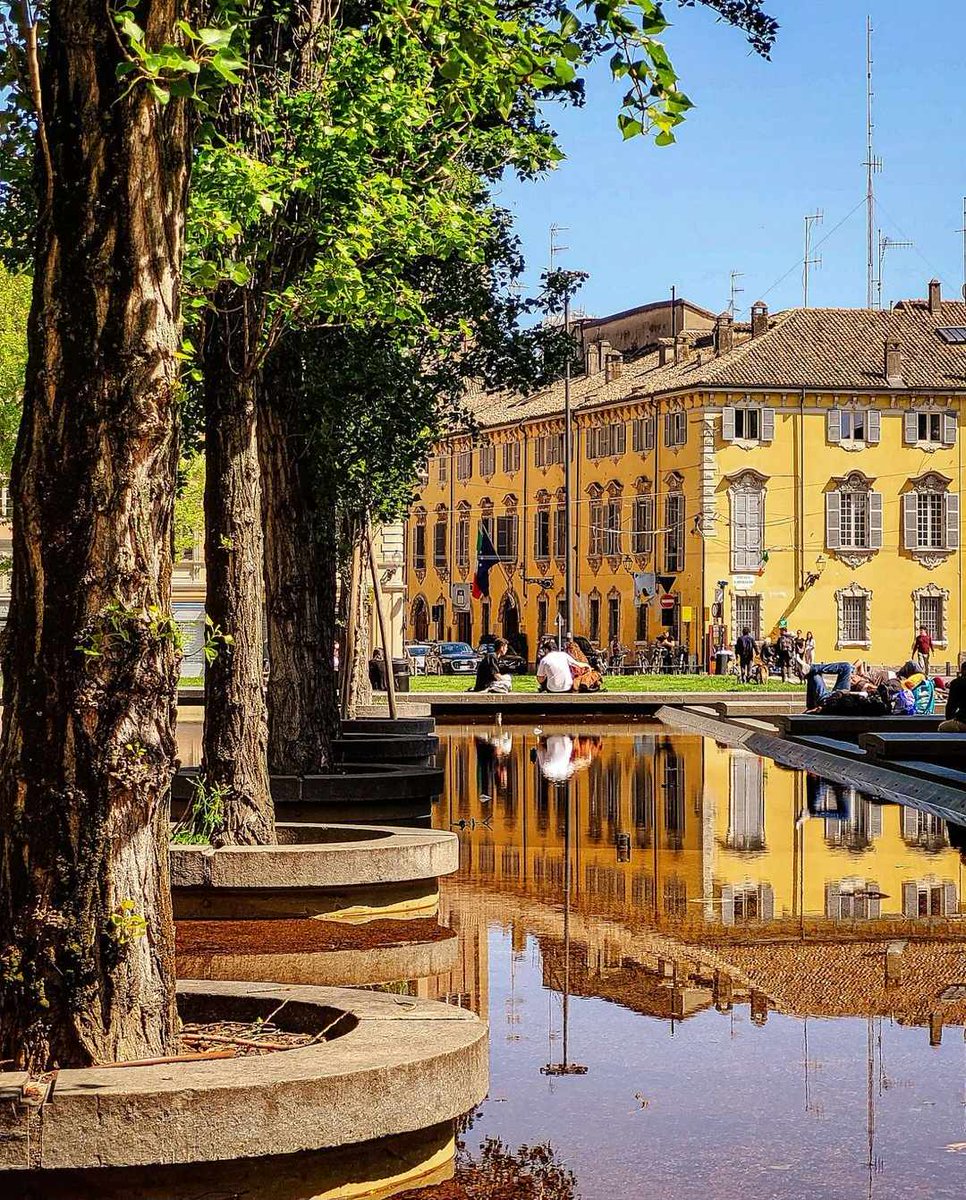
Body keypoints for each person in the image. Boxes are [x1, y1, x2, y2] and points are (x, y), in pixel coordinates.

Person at [939, 661, 966, 732]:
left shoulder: (957, 683)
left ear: (963, 671)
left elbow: (951, 706)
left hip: (963, 721)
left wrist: (949, 719)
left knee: (942, 727)